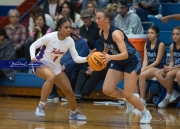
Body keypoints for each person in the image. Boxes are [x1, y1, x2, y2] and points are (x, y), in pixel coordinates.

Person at [96, 3, 152, 123]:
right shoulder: (101, 32)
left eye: (98, 18)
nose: (96, 20)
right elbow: (107, 45)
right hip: (117, 60)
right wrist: (102, 56)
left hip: (131, 60)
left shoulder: (116, 33)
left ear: (106, 20)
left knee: (128, 93)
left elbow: (125, 54)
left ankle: (145, 113)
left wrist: (110, 57)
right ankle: (130, 99)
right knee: (107, 90)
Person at [29, 17, 93, 119]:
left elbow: (76, 58)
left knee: (68, 90)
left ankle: (74, 113)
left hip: (55, 66)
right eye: (66, 27)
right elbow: (33, 46)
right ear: (59, 28)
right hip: (39, 63)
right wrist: (33, 56)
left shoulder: (70, 41)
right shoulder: (50, 37)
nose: (69, 30)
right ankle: (41, 107)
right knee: (51, 77)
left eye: (70, 27)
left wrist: (88, 58)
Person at [137, 25, 166, 106]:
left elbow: (157, 62)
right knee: (135, 74)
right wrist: (143, 68)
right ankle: (136, 97)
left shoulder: (161, 44)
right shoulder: (146, 44)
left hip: (159, 67)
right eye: (148, 33)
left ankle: (142, 100)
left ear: (157, 34)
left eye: (152, 33)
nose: (149, 34)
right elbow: (145, 60)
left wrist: (145, 69)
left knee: (142, 75)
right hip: (150, 68)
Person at [155, 26, 180, 108]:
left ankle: (168, 96)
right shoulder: (172, 46)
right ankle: (173, 92)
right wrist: (169, 67)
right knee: (158, 72)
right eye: (173, 34)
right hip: (174, 67)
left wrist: (172, 69)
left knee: (169, 74)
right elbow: (172, 61)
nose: (175, 36)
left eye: (177, 34)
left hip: (178, 68)